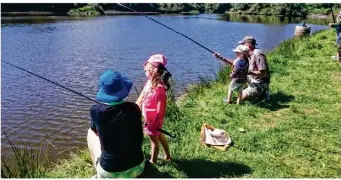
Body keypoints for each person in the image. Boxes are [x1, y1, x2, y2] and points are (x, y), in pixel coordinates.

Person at [87, 70, 145, 178]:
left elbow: (96, 131)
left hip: (110, 172)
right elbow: (140, 138)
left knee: (90, 132)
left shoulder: (96, 110)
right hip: (139, 167)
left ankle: (98, 173)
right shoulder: (134, 108)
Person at [136, 54, 172, 164]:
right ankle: (167, 156)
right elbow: (142, 95)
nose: (145, 70)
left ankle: (153, 162)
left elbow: (160, 110)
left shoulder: (159, 89)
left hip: (153, 122)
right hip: (149, 120)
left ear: (152, 71)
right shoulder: (150, 83)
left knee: (154, 142)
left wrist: (154, 124)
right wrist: (136, 106)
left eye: (147, 69)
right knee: (160, 136)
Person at [238, 36, 270, 101]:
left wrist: (248, 72)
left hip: (259, 83)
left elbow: (263, 73)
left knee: (240, 98)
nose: (241, 46)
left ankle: (263, 92)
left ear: (248, 45)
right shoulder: (247, 54)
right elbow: (236, 64)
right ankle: (254, 92)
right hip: (251, 81)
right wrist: (221, 58)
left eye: (242, 44)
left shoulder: (257, 54)